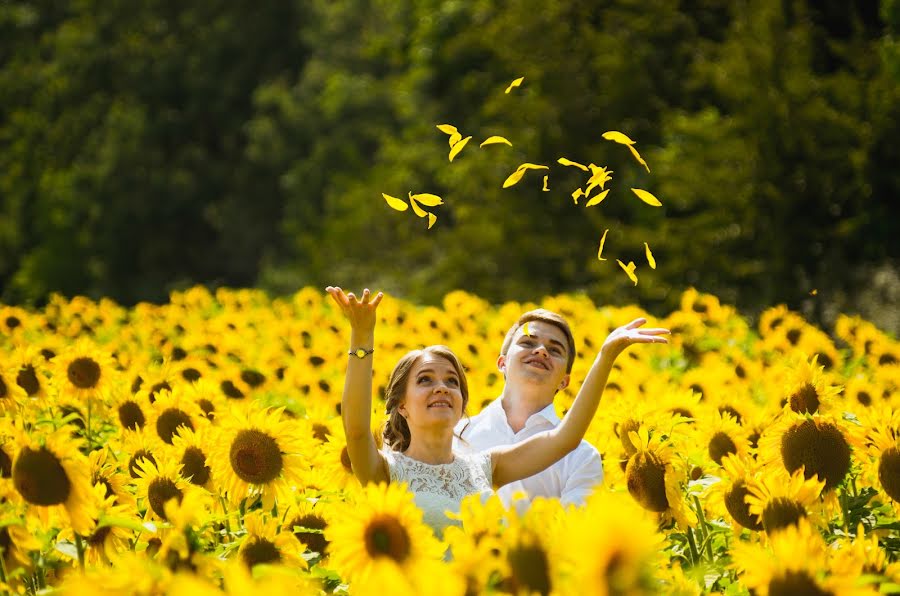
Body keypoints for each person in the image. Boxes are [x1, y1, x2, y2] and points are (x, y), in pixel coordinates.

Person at [326, 286, 668, 535]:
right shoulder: (385, 469)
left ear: (461, 402)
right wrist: (361, 336)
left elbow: (566, 438)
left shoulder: (485, 466)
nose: (442, 387)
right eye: (426, 379)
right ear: (402, 404)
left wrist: (606, 356)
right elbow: (355, 430)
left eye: (452, 381)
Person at [455, 309, 607, 510]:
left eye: (555, 350)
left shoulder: (582, 457)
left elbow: (574, 531)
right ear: (502, 363)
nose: (541, 351)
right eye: (527, 343)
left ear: (564, 381)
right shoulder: (456, 436)